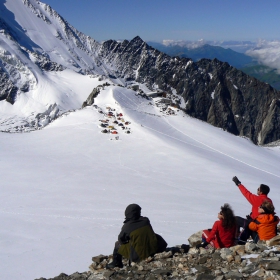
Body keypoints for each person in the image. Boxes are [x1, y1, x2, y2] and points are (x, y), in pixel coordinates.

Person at [106, 204, 165, 269]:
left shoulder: (127, 226)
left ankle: (116, 263)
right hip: (152, 250)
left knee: (117, 244)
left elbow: (121, 240)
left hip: (137, 256)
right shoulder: (145, 220)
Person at [232, 176, 273, 244]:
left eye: (258, 189)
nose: (257, 190)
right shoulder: (269, 201)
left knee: (236, 219)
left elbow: (246, 193)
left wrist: (239, 184)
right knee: (249, 223)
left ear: (261, 192)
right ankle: (241, 241)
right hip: (264, 228)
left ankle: (237, 239)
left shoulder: (258, 199)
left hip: (257, 226)